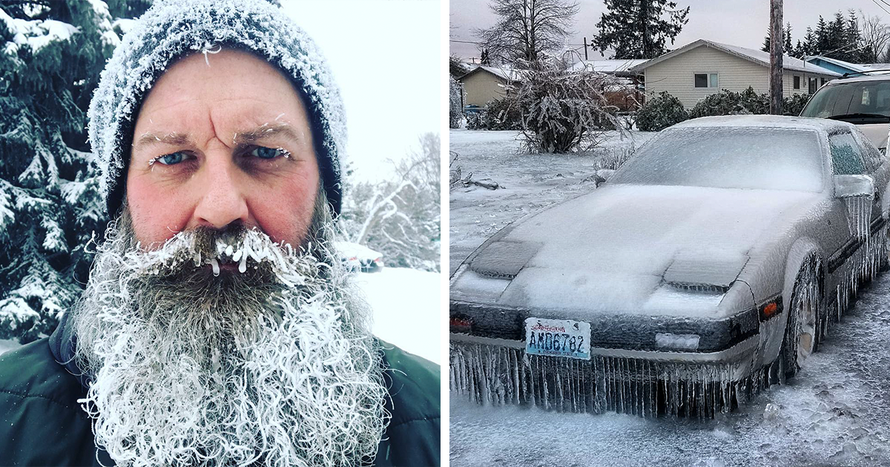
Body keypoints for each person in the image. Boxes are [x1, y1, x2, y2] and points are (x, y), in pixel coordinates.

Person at [0, 0, 440, 465]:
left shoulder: (429, 426)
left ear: (324, 194)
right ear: (121, 203)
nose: (221, 206)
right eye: (172, 158)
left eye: (267, 153)